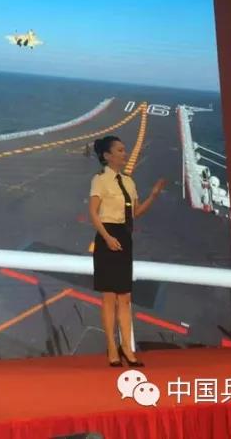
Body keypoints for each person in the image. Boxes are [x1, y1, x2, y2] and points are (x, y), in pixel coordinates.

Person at [88, 135, 164, 367]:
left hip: (124, 237)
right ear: (107, 156)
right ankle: (112, 348)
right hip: (107, 237)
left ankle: (127, 349)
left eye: (124, 149)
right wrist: (107, 238)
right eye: (120, 150)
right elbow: (93, 213)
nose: (125, 153)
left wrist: (153, 196)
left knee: (125, 297)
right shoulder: (100, 180)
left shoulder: (129, 182)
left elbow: (135, 213)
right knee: (109, 297)